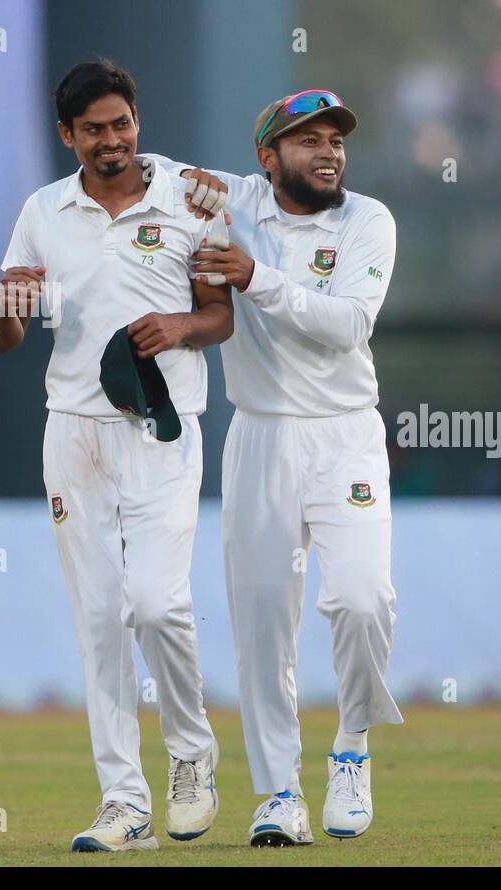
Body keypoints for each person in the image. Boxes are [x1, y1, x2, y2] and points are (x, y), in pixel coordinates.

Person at [0, 60, 233, 851]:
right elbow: (6, 336)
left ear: (136, 120)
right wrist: (5, 311)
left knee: (157, 604)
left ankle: (193, 758)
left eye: (121, 122)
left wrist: (180, 326)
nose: (112, 139)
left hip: (161, 426)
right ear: (68, 136)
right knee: (99, 618)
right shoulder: (43, 211)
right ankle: (124, 804)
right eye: (93, 129)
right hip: (75, 431)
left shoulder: (191, 199)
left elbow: (219, 316)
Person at [145, 88, 402, 845]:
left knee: (362, 599)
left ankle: (352, 747)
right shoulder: (238, 201)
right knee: (262, 622)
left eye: (336, 140)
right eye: (308, 140)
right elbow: (151, 168)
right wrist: (177, 180)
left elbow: (349, 324)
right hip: (260, 437)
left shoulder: (369, 221)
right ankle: (279, 793)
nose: (328, 151)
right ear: (268, 157)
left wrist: (257, 277)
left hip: (346, 433)